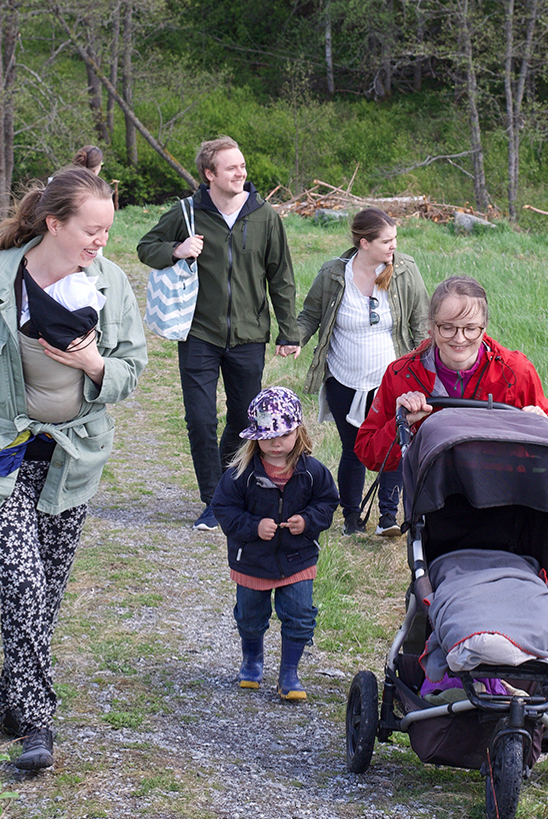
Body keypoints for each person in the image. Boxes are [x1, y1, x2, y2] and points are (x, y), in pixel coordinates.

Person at [0, 168, 147, 771]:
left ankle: (11, 699)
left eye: (107, 231)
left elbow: (133, 367)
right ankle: (38, 724)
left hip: (71, 458)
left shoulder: (111, 283)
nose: (101, 241)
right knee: (24, 582)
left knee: (44, 595)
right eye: (91, 230)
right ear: (54, 223)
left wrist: (97, 364)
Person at [136, 138, 301, 531]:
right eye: (232, 168)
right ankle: (212, 500)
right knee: (199, 419)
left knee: (245, 419)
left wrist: (287, 331)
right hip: (199, 335)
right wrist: (177, 249)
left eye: (242, 166)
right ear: (210, 174)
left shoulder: (265, 216)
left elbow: (281, 278)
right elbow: (146, 247)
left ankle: (230, 486)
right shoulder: (188, 213)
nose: (241, 173)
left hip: (248, 336)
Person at [296, 208, 429, 536]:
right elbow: (310, 315)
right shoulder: (332, 274)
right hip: (343, 379)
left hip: (390, 380)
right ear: (364, 242)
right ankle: (352, 520)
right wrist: (293, 339)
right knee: (354, 449)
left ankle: (388, 518)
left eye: (395, 239)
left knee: (395, 445)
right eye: (386, 241)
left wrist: (427, 366)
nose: (393, 246)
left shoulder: (404, 271)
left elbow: (421, 323)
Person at [355, 275, 548, 475]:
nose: (460, 339)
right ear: (431, 325)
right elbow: (369, 453)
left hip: (502, 494)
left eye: (470, 328)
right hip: (433, 496)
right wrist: (402, 423)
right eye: (447, 327)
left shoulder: (516, 372)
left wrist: (541, 426)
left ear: (485, 326)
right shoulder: (402, 374)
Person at [211, 387, 340, 701]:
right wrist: (254, 526)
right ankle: (252, 659)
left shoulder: (313, 472)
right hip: (252, 558)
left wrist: (308, 521)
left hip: (298, 558)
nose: (275, 442)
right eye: (267, 435)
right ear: (254, 437)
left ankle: (289, 673)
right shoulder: (240, 474)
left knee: (299, 614)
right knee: (250, 616)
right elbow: (224, 509)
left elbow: (328, 503)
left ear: (298, 431)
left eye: (283, 434)